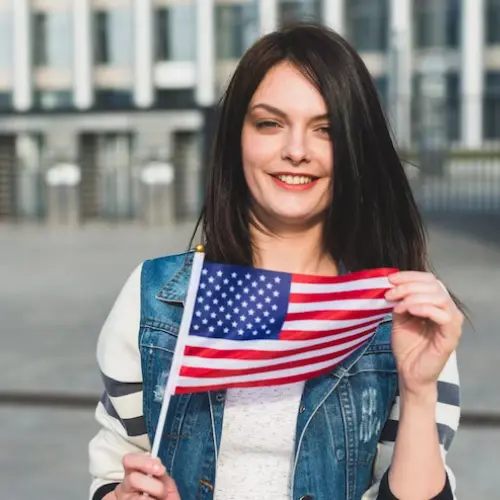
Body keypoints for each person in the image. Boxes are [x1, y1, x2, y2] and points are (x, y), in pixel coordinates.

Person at [89, 23, 463, 500]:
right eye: (269, 123)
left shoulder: (404, 311)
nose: (296, 151)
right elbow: (112, 466)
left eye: (325, 129)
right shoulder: (159, 296)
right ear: (235, 138)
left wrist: (417, 389)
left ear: (355, 148)